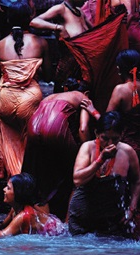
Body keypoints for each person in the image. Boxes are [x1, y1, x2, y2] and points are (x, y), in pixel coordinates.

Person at [82, 49, 140, 194]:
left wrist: (92, 110)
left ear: (120, 69)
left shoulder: (120, 90)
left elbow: (107, 123)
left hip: (126, 146)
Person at [0, 1, 51, 179]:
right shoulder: (41, 43)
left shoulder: (0, 45)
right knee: (28, 136)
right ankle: (26, 172)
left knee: (4, 127)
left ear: (8, 19)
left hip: (7, 98)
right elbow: (48, 76)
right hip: (30, 98)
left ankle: (2, 168)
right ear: (30, 18)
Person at [22, 79, 91, 221]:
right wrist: (87, 151)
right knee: (77, 173)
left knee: (34, 176)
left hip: (33, 127)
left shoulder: (51, 97)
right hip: (54, 127)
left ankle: (28, 217)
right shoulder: (83, 97)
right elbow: (83, 128)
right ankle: (68, 223)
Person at [68, 111, 140, 236]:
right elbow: (77, 180)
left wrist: (131, 209)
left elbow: (137, 181)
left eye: (115, 139)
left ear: (121, 135)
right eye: (105, 138)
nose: (110, 144)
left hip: (112, 220)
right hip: (82, 219)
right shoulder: (87, 148)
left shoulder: (128, 152)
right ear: (97, 133)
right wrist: (100, 159)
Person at [0, 172, 66, 236]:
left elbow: (1, 236)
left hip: (58, 236)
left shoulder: (24, 215)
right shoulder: (15, 209)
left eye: (8, 188)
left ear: (18, 194)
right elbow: (1, 227)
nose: (4, 189)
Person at [30, 0, 92, 93]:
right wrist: (58, 27)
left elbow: (96, 31)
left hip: (84, 65)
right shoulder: (61, 8)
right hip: (68, 66)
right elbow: (34, 22)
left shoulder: (80, 11)